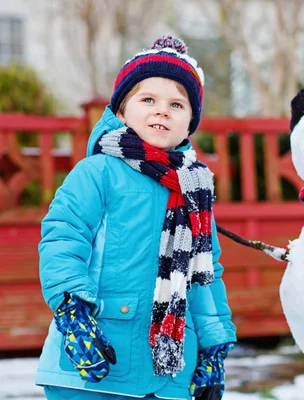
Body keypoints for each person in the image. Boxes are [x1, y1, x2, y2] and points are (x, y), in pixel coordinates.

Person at [35, 35, 236, 400]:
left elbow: (206, 275)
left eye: (177, 104)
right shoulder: (98, 172)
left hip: (170, 373)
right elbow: (64, 238)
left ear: (190, 122)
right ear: (122, 112)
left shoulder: (194, 190)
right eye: (148, 100)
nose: (162, 111)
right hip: (94, 360)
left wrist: (213, 347)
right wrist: (73, 312)